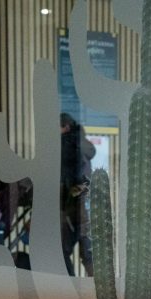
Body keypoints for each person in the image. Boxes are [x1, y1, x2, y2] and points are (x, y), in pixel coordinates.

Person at [59, 113, 95, 276]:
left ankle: (70, 288)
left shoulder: (69, 146)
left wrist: (69, 197)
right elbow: (86, 181)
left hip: (75, 208)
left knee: (63, 250)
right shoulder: (81, 145)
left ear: (65, 127)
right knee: (88, 254)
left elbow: (80, 181)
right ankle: (101, 293)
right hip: (84, 207)